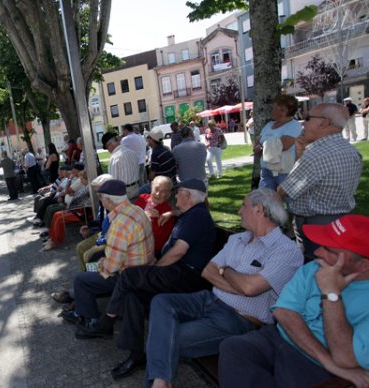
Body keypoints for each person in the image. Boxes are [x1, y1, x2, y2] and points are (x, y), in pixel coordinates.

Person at [144, 189, 303, 387]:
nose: (239, 211)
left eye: (243, 206)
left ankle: (159, 382)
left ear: (259, 210)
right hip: (208, 300)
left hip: (238, 320)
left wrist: (225, 270)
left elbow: (249, 287)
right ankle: (162, 380)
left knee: (162, 339)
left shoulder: (286, 251)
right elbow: (208, 272)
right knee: (161, 301)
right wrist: (238, 285)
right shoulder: (237, 239)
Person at [76, 179, 217, 379]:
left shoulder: (197, 216)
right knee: (133, 294)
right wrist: (172, 213)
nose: (175, 197)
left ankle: (106, 321)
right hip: (177, 272)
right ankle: (136, 354)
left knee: (130, 275)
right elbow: (181, 223)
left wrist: (154, 270)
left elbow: (178, 252)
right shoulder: (193, 213)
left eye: (177, 193)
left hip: (187, 276)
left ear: (188, 196)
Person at [219, 214, 369, 388]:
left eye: (329, 250)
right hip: (283, 338)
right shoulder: (314, 267)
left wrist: (331, 293)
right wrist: (328, 362)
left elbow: (346, 359)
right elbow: (283, 312)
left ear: (363, 265)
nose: (317, 253)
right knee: (234, 347)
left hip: (313, 366)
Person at [59, 180, 155, 331]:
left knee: (82, 277)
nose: (101, 201)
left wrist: (100, 264)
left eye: (101, 198)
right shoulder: (136, 210)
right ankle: (79, 308)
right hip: (144, 268)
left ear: (109, 200)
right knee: (89, 269)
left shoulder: (119, 223)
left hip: (129, 276)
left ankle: (93, 323)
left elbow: (111, 267)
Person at [278, 103, 362, 261]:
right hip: (341, 222)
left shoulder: (317, 154)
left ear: (324, 122)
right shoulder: (351, 150)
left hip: (316, 227)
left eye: (308, 118)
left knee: (314, 268)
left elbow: (284, 190)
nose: (303, 123)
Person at [254, 95, 302, 190]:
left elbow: (282, 145)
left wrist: (261, 148)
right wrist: (259, 146)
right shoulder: (269, 125)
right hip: (266, 170)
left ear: (283, 111)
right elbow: (258, 141)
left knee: (289, 201)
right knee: (264, 200)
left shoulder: (294, 126)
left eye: (274, 108)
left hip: (284, 172)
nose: (271, 110)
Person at [101, 132, 140, 199]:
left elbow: (113, 182)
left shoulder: (114, 158)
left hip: (124, 192)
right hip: (136, 188)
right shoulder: (132, 153)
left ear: (110, 145)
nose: (108, 150)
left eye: (107, 148)